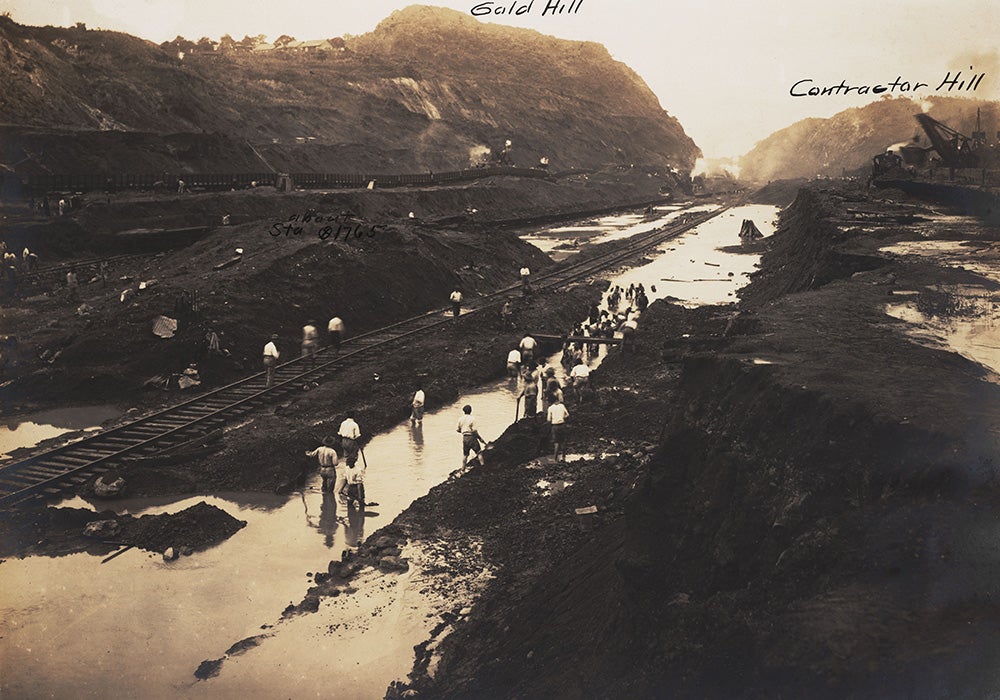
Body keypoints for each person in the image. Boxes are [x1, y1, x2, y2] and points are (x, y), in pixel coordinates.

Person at [547, 397, 569, 462]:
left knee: (556, 442)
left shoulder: (550, 408)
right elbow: (567, 415)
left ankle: (555, 459)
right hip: (562, 425)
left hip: (555, 426)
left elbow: (548, 419)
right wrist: (562, 417)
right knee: (563, 441)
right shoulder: (562, 406)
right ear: (557, 400)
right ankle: (564, 457)